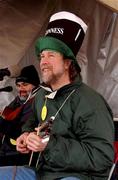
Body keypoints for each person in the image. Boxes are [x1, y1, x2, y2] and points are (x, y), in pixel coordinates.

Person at [0, 11, 114, 180]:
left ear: (68, 62)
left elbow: (102, 157)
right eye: (42, 56)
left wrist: (49, 144)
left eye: (51, 55)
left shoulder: (90, 102)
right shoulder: (41, 96)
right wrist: (26, 136)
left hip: (78, 176)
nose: (43, 62)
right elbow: (31, 124)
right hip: (43, 173)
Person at [0, 65, 40, 166]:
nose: (20, 89)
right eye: (18, 85)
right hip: (6, 152)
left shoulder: (36, 102)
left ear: (35, 85)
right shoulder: (17, 102)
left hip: (19, 156)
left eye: (25, 84)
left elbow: (21, 131)